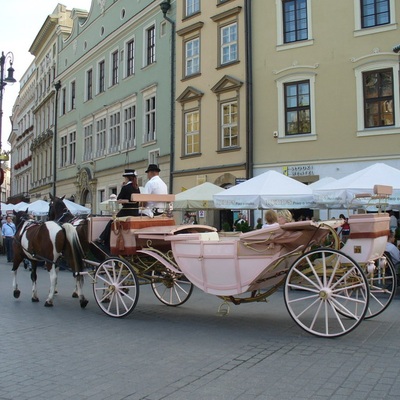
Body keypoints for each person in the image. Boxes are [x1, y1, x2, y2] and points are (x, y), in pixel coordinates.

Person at [96, 169, 140, 248]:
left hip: (127, 211)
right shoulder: (137, 188)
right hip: (135, 211)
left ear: (127, 178)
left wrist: (124, 195)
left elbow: (118, 199)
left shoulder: (126, 188)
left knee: (112, 221)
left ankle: (102, 238)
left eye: (125, 178)